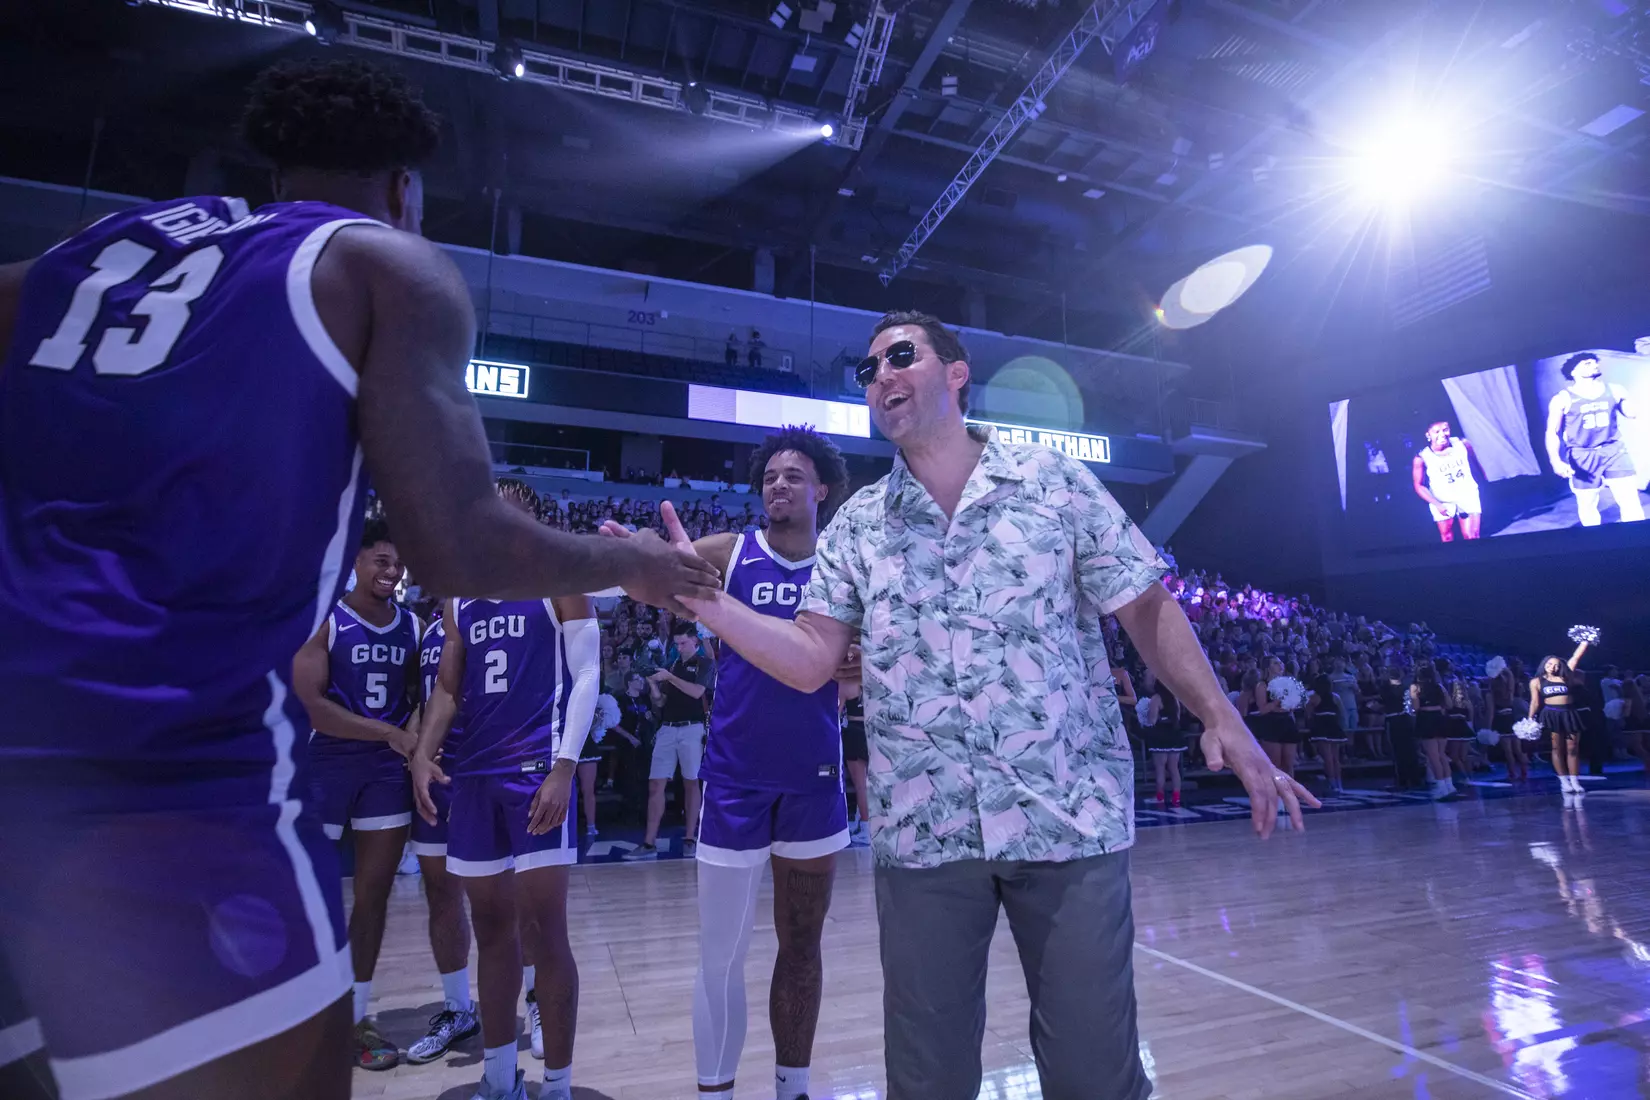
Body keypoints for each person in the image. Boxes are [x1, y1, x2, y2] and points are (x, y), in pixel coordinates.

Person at [0, 58, 717, 1100]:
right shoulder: (383, 263)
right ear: (404, 191)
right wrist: (639, 566)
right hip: (161, 782)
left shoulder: (97, 253)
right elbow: (457, 545)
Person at [619, 310, 1316, 1100]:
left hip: (1067, 821)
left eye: (901, 356)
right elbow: (810, 659)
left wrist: (1222, 716)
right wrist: (703, 601)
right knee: (928, 1081)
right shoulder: (858, 528)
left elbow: (1145, 607)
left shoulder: (1052, 481)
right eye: (869, 369)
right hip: (925, 835)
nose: (881, 375)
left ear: (957, 373)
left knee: (1094, 1074)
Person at [625, 427, 851, 1100]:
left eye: (793, 475)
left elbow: (863, 667)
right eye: (769, 477)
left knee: (802, 949)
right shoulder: (731, 553)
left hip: (814, 778)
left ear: (821, 490)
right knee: (719, 956)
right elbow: (657, 581)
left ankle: (794, 1089)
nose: (778, 484)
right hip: (733, 780)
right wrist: (636, 559)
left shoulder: (844, 567)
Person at [412, 480, 603, 1100]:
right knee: (491, 929)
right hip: (472, 778)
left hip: (535, 775)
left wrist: (566, 765)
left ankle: (558, 1085)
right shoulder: (459, 601)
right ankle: (500, 1082)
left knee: (546, 931)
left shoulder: (558, 579)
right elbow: (445, 689)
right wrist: (421, 753)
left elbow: (588, 674)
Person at [291, 517, 422, 1070]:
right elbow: (314, 707)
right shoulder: (325, 618)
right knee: (308, 900)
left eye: (396, 564)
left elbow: (423, 696)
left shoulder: (413, 628)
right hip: (326, 764)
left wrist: (411, 733)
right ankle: (298, 1019)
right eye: (380, 561)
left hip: (386, 774)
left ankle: (355, 1017)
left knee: (371, 899)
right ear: (358, 562)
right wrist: (390, 732)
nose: (390, 572)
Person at [404, 606, 483, 1067]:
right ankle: (458, 1010)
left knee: (509, 896)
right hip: (438, 772)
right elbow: (424, 699)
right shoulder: (429, 628)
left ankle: (534, 996)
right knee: (441, 893)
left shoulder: (507, 606)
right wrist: (418, 756)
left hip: (489, 769)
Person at [625, 623, 715, 860]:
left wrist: (670, 677)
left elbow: (697, 692)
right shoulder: (672, 665)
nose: (679, 647)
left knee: (691, 783)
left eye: (683, 642)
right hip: (667, 727)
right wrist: (654, 685)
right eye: (676, 643)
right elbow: (661, 702)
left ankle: (689, 838)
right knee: (655, 784)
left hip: (692, 728)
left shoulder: (703, 663)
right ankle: (648, 842)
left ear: (695, 642)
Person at [1545, 353, 1644, 526]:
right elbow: (1552, 432)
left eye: (1595, 362)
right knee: (1587, 504)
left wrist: (1631, 400)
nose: (1594, 365)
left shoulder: (1614, 390)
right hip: (1583, 455)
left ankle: (1639, 542)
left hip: (1614, 451)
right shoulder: (1562, 399)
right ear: (1573, 371)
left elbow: (1632, 414)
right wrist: (1555, 461)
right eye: (1587, 363)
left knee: (1630, 501)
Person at [1531, 636, 1593, 799]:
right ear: (1544, 664)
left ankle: (1575, 781)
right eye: (1550, 664)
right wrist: (1530, 719)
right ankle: (1563, 781)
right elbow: (1535, 702)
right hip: (1551, 714)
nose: (1553, 667)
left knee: (1573, 748)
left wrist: (1585, 642)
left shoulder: (1566, 677)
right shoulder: (1536, 681)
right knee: (1557, 748)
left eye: (1556, 665)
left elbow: (1575, 657)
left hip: (1569, 713)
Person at [1412, 420, 1485, 541]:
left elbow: (1476, 463)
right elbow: (1418, 485)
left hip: (1467, 494)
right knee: (1447, 536)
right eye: (1436, 432)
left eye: (1445, 430)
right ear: (1428, 435)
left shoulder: (1462, 444)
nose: (1442, 434)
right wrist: (1436, 504)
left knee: (1472, 536)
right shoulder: (1422, 457)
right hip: (1442, 499)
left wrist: (1483, 482)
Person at [1140, 672, 1187, 806]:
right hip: (1174, 733)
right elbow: (1177, 717)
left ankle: (1160, 796)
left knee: (1160, 768)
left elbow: (1152, 720)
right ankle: (1176, 796)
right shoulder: (1175, 698)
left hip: (1161, 735)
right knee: (1174, 767)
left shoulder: (1156, 698)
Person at [840, 655, 872, 845]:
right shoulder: (874, 678)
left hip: (854, 731)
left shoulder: (846, 684)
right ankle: (874, 825)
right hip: (873, 732)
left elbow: (836, 710)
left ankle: (866, 827)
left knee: (861, 785)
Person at [1410, 665, 1454, 801]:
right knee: (1442, 755)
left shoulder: (1415, 687)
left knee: (1433, 757)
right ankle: (1450, 786)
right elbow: (1449, 704)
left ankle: (1441, 789)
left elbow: (1415, 707)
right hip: (1439, 719)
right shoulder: (1440, 686)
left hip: (1426, 719)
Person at [1306, 672, 1347, 794]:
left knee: (1328, 758)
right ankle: (1339, 784)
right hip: (1334, 726)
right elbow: (1342, 713)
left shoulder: (1313, 698)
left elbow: (1308, 715)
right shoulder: (1336, 697)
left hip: (1321, 727)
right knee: (1335, 758)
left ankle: (1332, 784)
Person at [1488, 661, 1529, 783]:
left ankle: (1512, 774)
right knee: (1518, 749)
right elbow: (1510, 678)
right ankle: (1524, 772)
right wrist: (1504, 669)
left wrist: (1489, 728)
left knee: (1508, 751)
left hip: (1501, 721)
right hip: (1511, 720)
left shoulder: (1492, 695)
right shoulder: (1509, 693)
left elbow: (1490, 713)